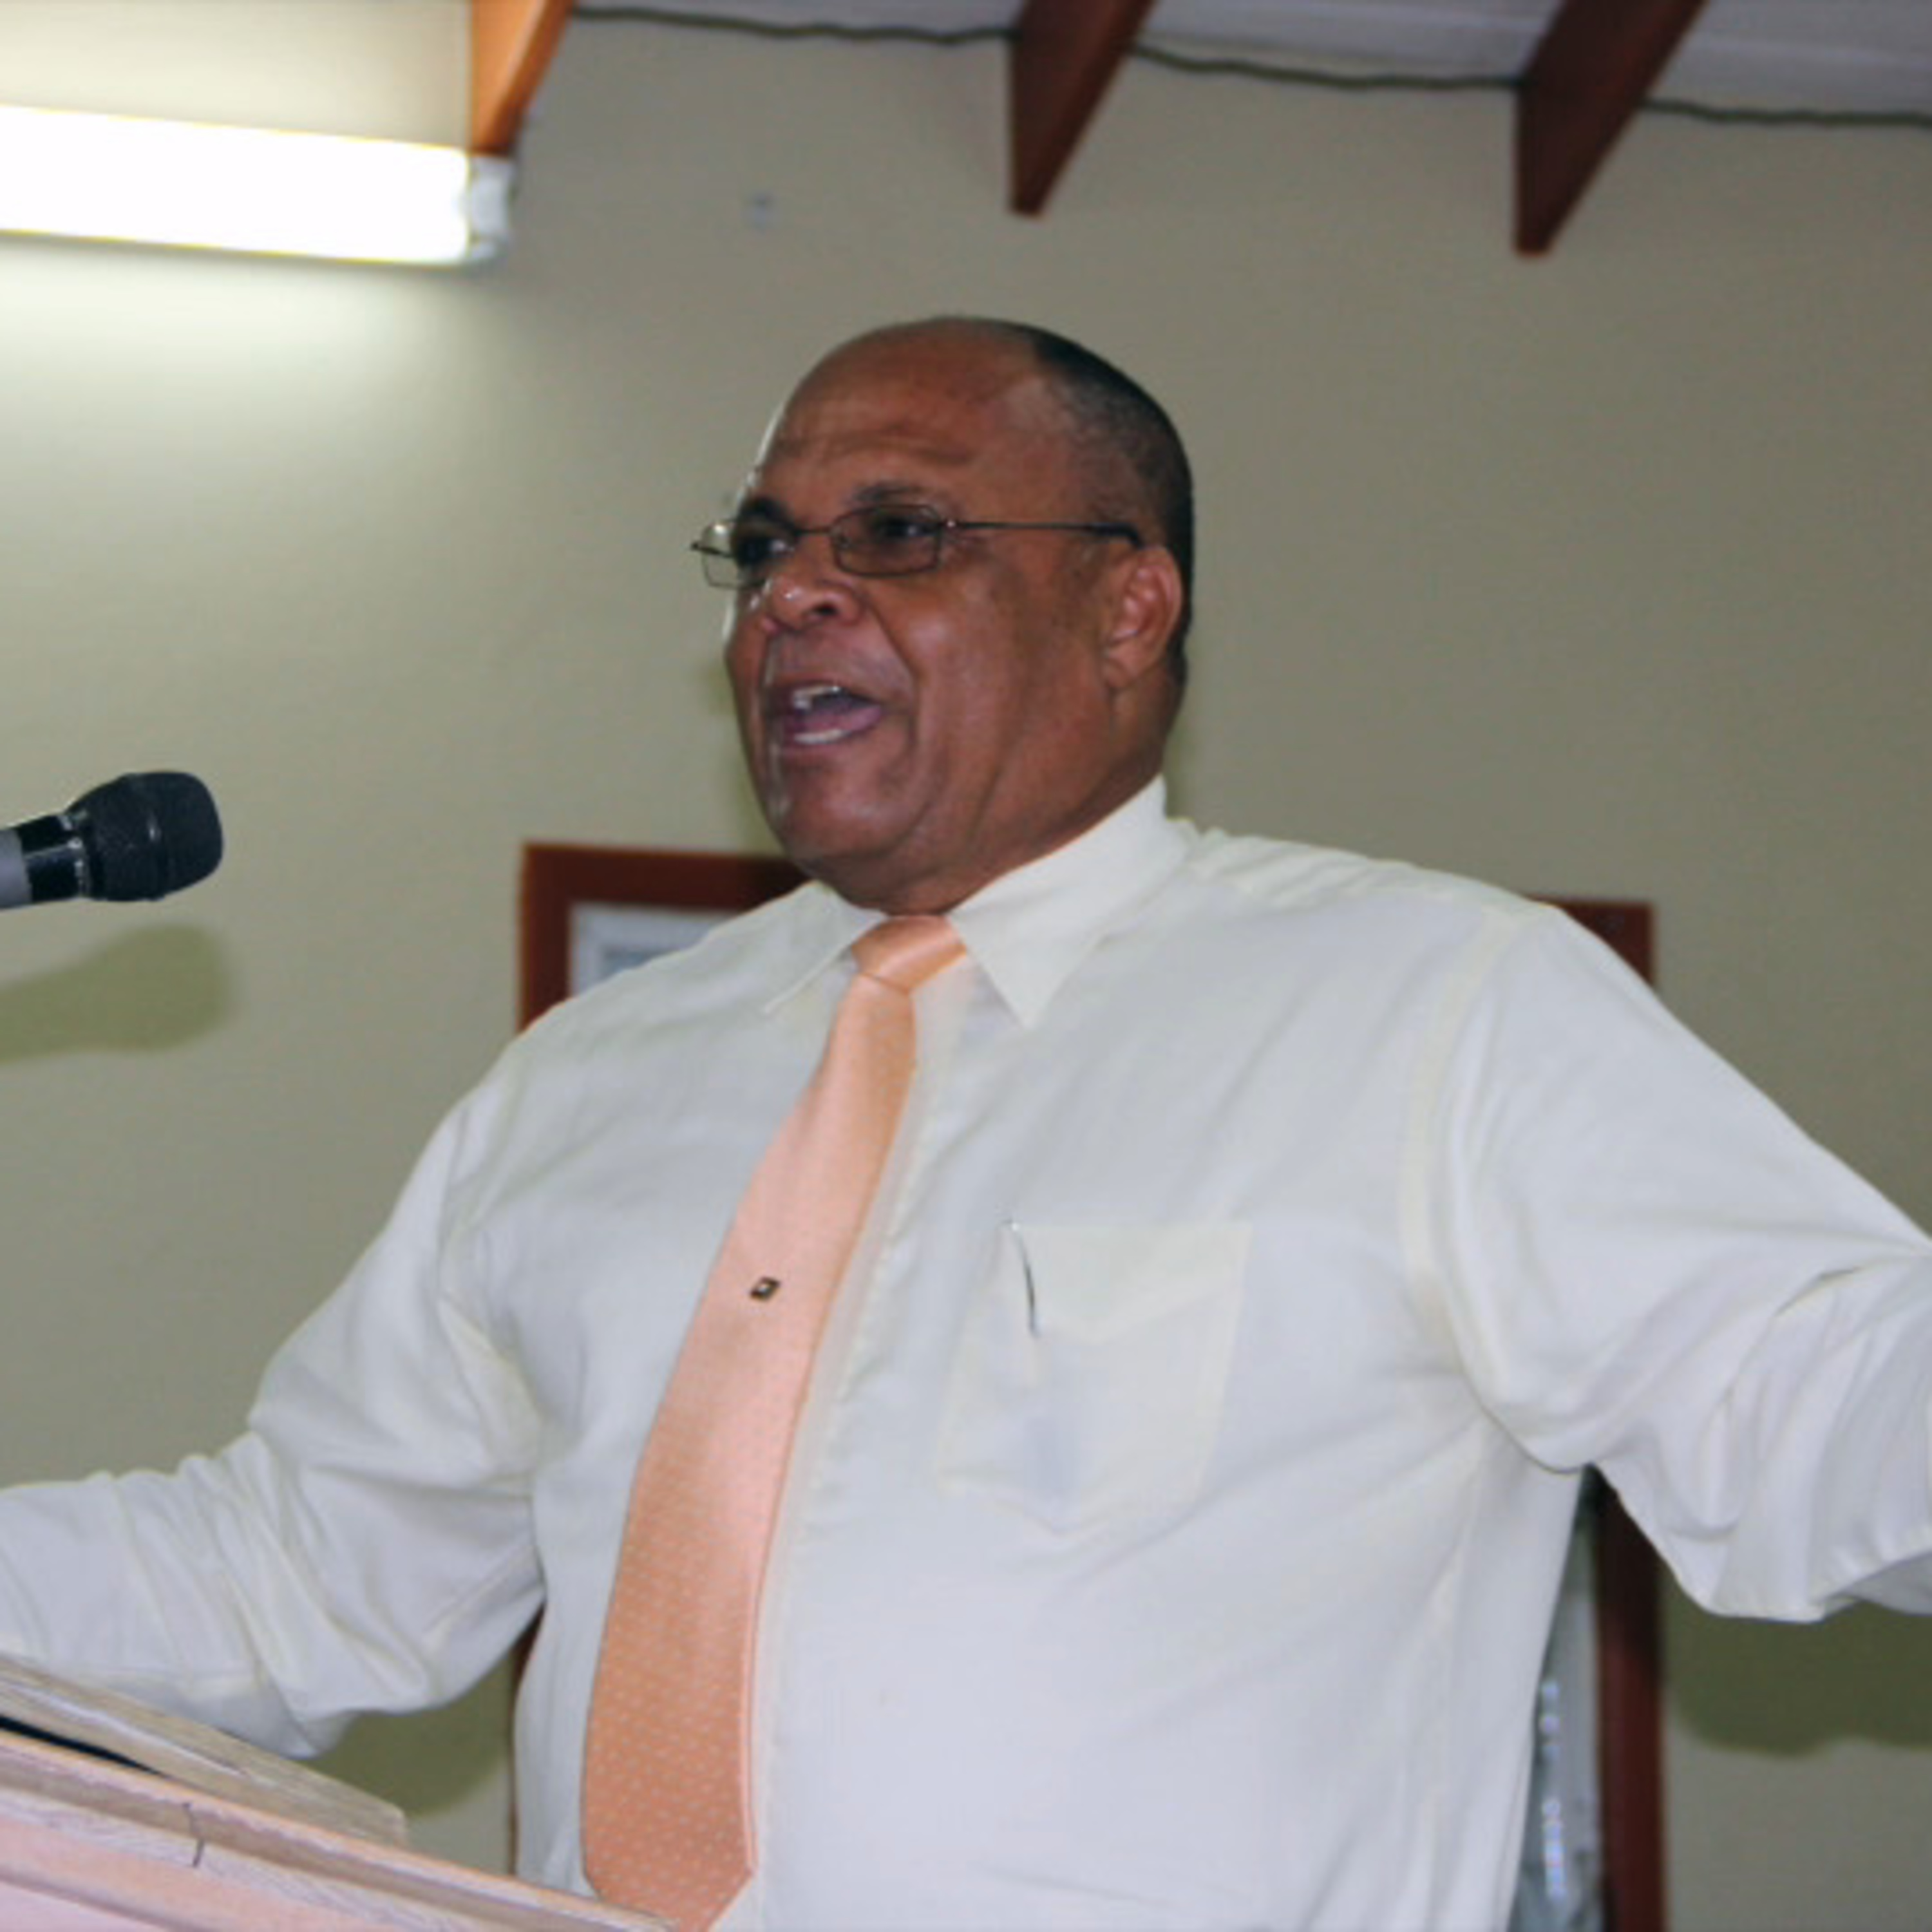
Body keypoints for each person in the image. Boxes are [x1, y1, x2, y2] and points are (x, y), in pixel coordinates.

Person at [2, 316, 1929, 1931]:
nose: (795, 593)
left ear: (1130, 606)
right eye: (766, 546)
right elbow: (298, 1571)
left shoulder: (1435, 1009)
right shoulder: (587, 1080)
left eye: (901, 532)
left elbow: (1820, 1396)